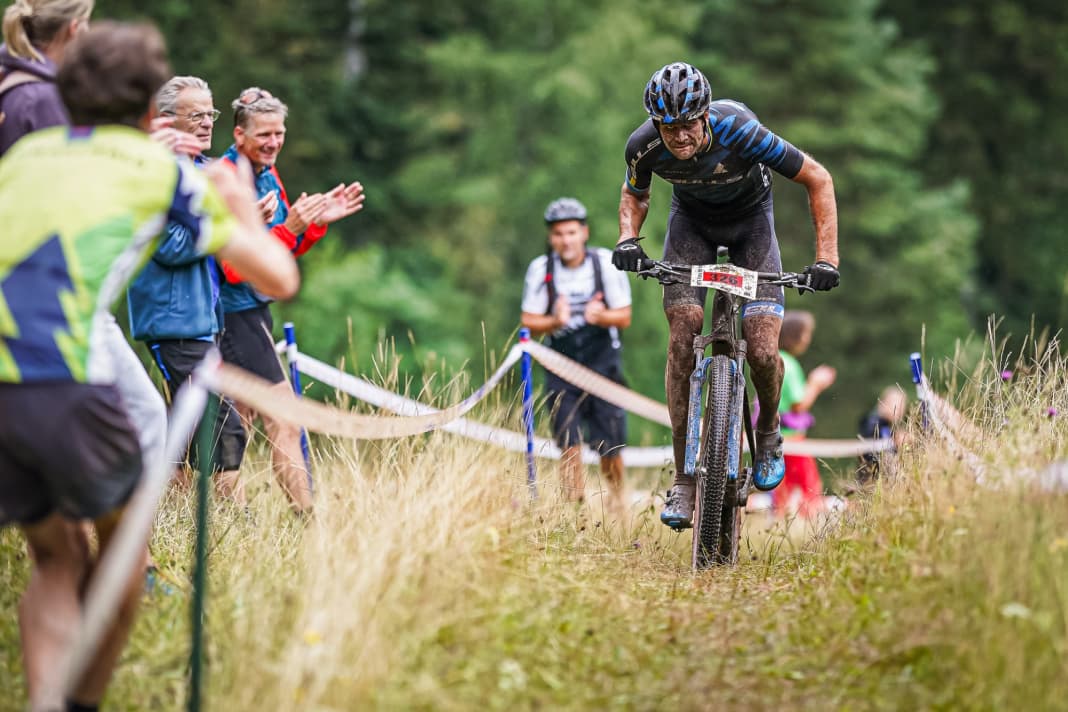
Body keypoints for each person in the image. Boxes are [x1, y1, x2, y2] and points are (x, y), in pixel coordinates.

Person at [0, 21, 299, 712]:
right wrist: (237, 205)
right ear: (146, 113)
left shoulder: (27, 155)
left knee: (55, 559)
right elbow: (277, 276)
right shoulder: (157, 170)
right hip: (61, 378)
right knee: (122, 563)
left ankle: (46, 699)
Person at [611, 61, 841, 529]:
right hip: (690, 226)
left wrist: (827, 259)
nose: (679, 137)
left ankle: (769, 430)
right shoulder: (644, 146)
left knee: (760, 347)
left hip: (752, 226)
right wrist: (627, 241)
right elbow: (635, 194)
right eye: (668, 127)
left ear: (705, 115)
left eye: (688, 124)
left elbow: (817, 178)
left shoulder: (741, 129)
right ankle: (684, 479)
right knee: (682, 337)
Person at [217, 86, 365, 513]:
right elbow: (234, 265)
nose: (274, 142)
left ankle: (229, 520)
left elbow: (278, 253)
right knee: (284, 417)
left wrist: (312, 225)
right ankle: (307, 516)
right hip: (233, 311)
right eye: (264, 134)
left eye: (279, 133)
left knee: (238, 421)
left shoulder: (267, 173)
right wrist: (291, 226)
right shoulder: (226, 178)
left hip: (254, 307)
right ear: (239, 134)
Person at [126, 76, 255, 503]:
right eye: (194, 115)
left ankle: (168, 517)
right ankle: (234, 522)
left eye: (210, 114)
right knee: (224, 427)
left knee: (183, 431)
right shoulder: (154, 173)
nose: (205, 123)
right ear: (165, 121)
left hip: (204, 318)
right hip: (172, 322)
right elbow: (171, 246)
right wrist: (227, 222)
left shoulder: (203, 169)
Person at [520, 198, 633, 512]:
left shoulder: (605, 262)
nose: (565, 240)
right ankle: (576, 512)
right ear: (550, 237)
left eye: (570, 232)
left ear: (584, 232)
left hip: (602, 361)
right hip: (561, 363)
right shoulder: (541, 269)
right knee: (568, 443)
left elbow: (624, 316)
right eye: (558, 234)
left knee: (610, 446)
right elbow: (529, 321)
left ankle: (617, 502)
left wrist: (601, 316)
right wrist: (555, 321)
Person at [774, 310, 836, 517]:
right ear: (795, 336)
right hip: (792, 439)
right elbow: (798, 405)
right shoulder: (788, 365)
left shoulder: (775, 359)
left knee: (780, 486)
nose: (808, 339)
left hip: (775, 437)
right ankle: (813, 524)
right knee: (809, 485)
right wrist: (816, 383)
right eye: (807, 333)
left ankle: (778, 523)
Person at [856, 384, 908, 484]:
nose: (900, 410)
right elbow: (872, 434)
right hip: (871, 483)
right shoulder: (872, 421)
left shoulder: (889, 426)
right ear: (882, 404)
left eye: (902, 406)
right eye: (896, 405)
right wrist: (894, 439)